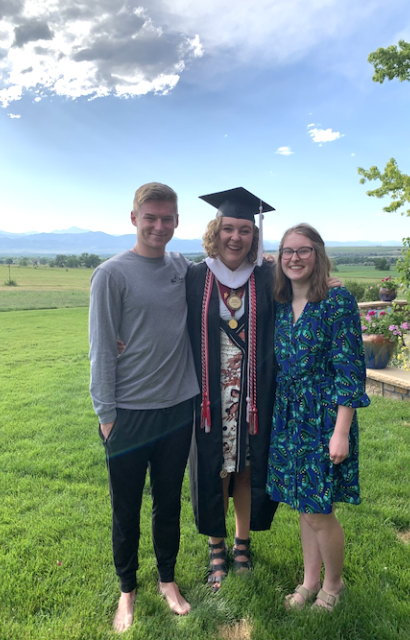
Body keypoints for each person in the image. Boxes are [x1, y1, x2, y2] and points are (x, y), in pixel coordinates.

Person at [89, 182, 199, 632]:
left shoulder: (181, 267)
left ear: (176, 221)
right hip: (128, 415)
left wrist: (272, 264)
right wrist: (107, 416)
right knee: (126, 508)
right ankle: (127, 591)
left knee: (168, 502)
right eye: (150, 217)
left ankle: (167, 580)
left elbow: (231, 272)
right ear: (134, 218)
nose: (159, 226)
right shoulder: (111, 274)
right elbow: (100, 347)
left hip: (178, 408)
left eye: (167, 218)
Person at [266, 223, 370, 612]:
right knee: (302, 502)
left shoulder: (337, 301)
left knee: (318, 508)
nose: (295, 258)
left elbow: (350, 370)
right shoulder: (278, 303)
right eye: (287, 251)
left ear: (318, 254)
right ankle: (310, 581)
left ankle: (334, 584)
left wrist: (341, 431)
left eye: (304, 250)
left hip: (323, 417)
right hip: (288, 416)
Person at [186, 187, 279, 590]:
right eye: (228, 228)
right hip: (209, 394)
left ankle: (242, 544)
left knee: (246, 466)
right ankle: (216, 546)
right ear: (215, 230)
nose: (236, 237)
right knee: (214, 468)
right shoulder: (194, 276)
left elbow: (303, 300)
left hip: (254, 394)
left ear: (254, 236)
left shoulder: (268, 277)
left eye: (245, 229)